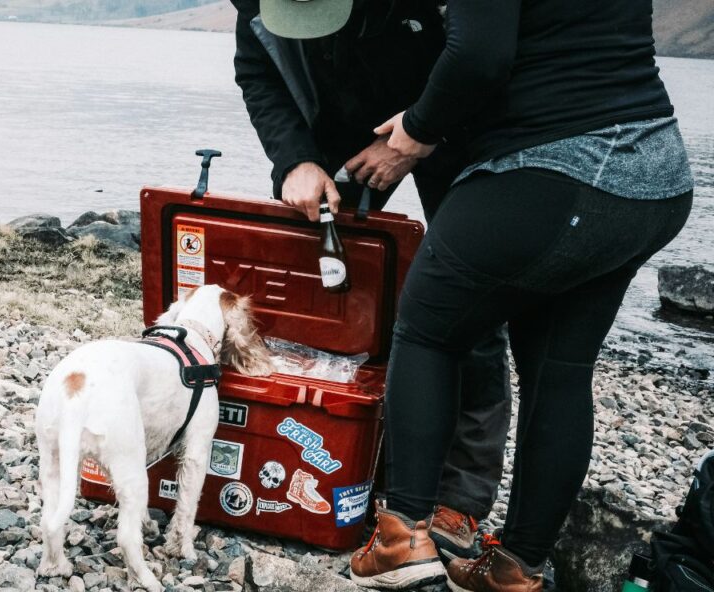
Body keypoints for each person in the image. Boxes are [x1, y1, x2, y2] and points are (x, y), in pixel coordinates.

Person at [338, 0, 693, 588]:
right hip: (652, 173)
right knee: (560, 368)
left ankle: (401, 539)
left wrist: (418, 130)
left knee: (426, 329)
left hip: (555, 168)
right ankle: (515, 569)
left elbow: (479, 56)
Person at [232, 0, 511, 558]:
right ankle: (317, 451)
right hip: (337, 126)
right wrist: (294, 160)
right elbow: (256, 71)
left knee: (469, 304)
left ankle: (459, 498)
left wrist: (415, 132)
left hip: (450, 124)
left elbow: (478, 58)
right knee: (314, 285)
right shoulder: (255, 4)